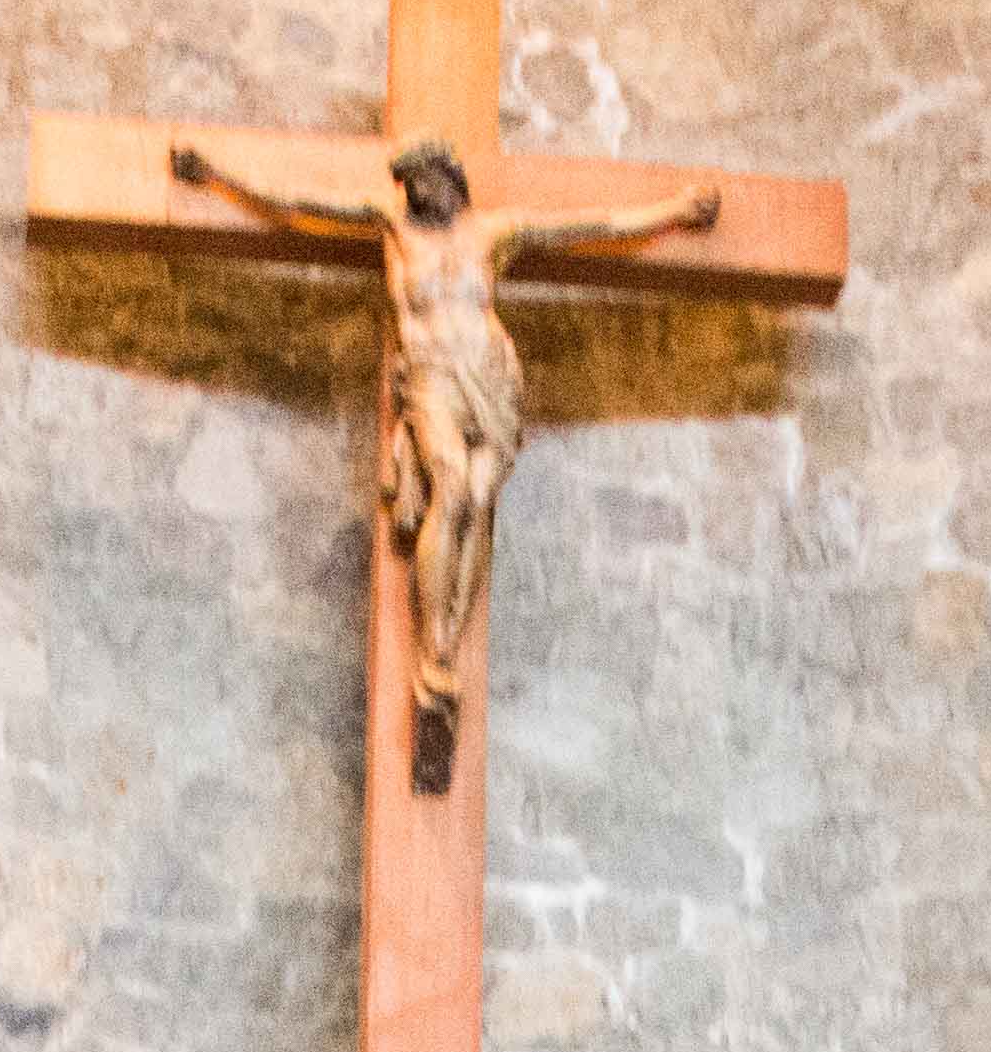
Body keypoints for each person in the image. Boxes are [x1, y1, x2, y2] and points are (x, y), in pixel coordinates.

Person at [169, 134, 721, 790]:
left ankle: (449, 643)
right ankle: (433, 649)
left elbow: (594, 227)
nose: (411, 191)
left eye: (421, 180)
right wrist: (219, 173)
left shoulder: (497, 233)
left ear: (449, 178)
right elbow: (296, 204)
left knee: (481, 498)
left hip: (488, 380)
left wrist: (675, 209)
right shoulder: (389, 225)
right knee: (451, 487)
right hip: (430, 378)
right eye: (406, 182)